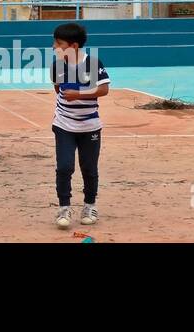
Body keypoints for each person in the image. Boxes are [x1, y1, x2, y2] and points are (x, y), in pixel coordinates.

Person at [50, 22, 110, 230]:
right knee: (65, 167)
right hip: (64, 124)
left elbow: (103, 90)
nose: (54, 47)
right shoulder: (57, 65)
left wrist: (79, 95)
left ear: (73, 46)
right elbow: (58, 89)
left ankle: (89, 205)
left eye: (58, 43)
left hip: (90, 127)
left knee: (89, 169)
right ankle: (63, 208)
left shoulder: (92, 63)